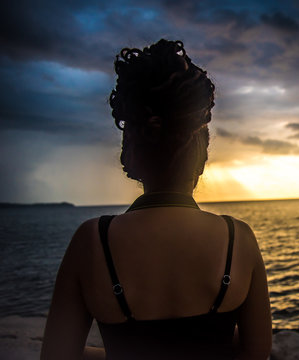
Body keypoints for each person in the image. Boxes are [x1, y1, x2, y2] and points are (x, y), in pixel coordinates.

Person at [41, 39, 272, 360]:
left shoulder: (91, 241)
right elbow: (257, 354)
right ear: (201, 154)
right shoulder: (239, 238)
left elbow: (56, 356)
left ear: (131, 151)